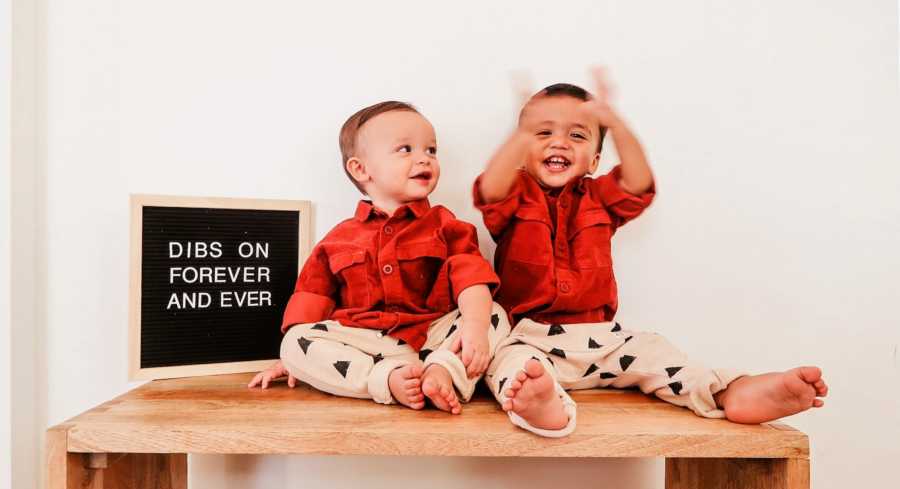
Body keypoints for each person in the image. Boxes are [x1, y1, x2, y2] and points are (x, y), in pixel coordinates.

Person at [474, 68, 828, 437]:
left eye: (576, 135)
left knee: (658, 352)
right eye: (542, 133)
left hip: (606, 343)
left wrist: (618, 125)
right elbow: (492, 185)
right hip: (532, 340)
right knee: (509, 364)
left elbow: (637, 182)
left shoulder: (599, 199)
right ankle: (543, 403)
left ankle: (729, 390)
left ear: (594, 161)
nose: (559, 143)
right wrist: (519, 135)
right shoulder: (512, 196)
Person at [250, 101, 510, 414]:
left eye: (431, 150)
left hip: (432, 337)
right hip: (365, 344)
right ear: (361, 169)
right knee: (294, 341)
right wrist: (292, 359)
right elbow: (312, 297)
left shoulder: (446, 225)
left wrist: (474, 326)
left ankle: (443, 373)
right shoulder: (340, 237)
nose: (423, 159)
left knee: (493, 314)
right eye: (405, 149)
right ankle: (385, 380)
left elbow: (471, 278)